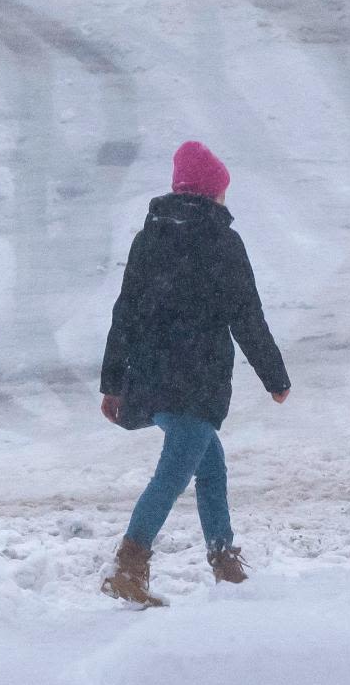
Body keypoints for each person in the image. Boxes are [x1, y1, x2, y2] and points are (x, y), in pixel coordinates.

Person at [97, 141, 290, 606]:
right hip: (197, 376)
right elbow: (247, 316)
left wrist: (113, 381)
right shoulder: (222, 242)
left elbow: (125, 312)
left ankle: (226, 565)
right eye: (222, 191)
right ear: (211, 193)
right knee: (173, 472)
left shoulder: (149, 237)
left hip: (149, 373)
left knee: (210, 464)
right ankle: (129, 565)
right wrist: (275, 377)